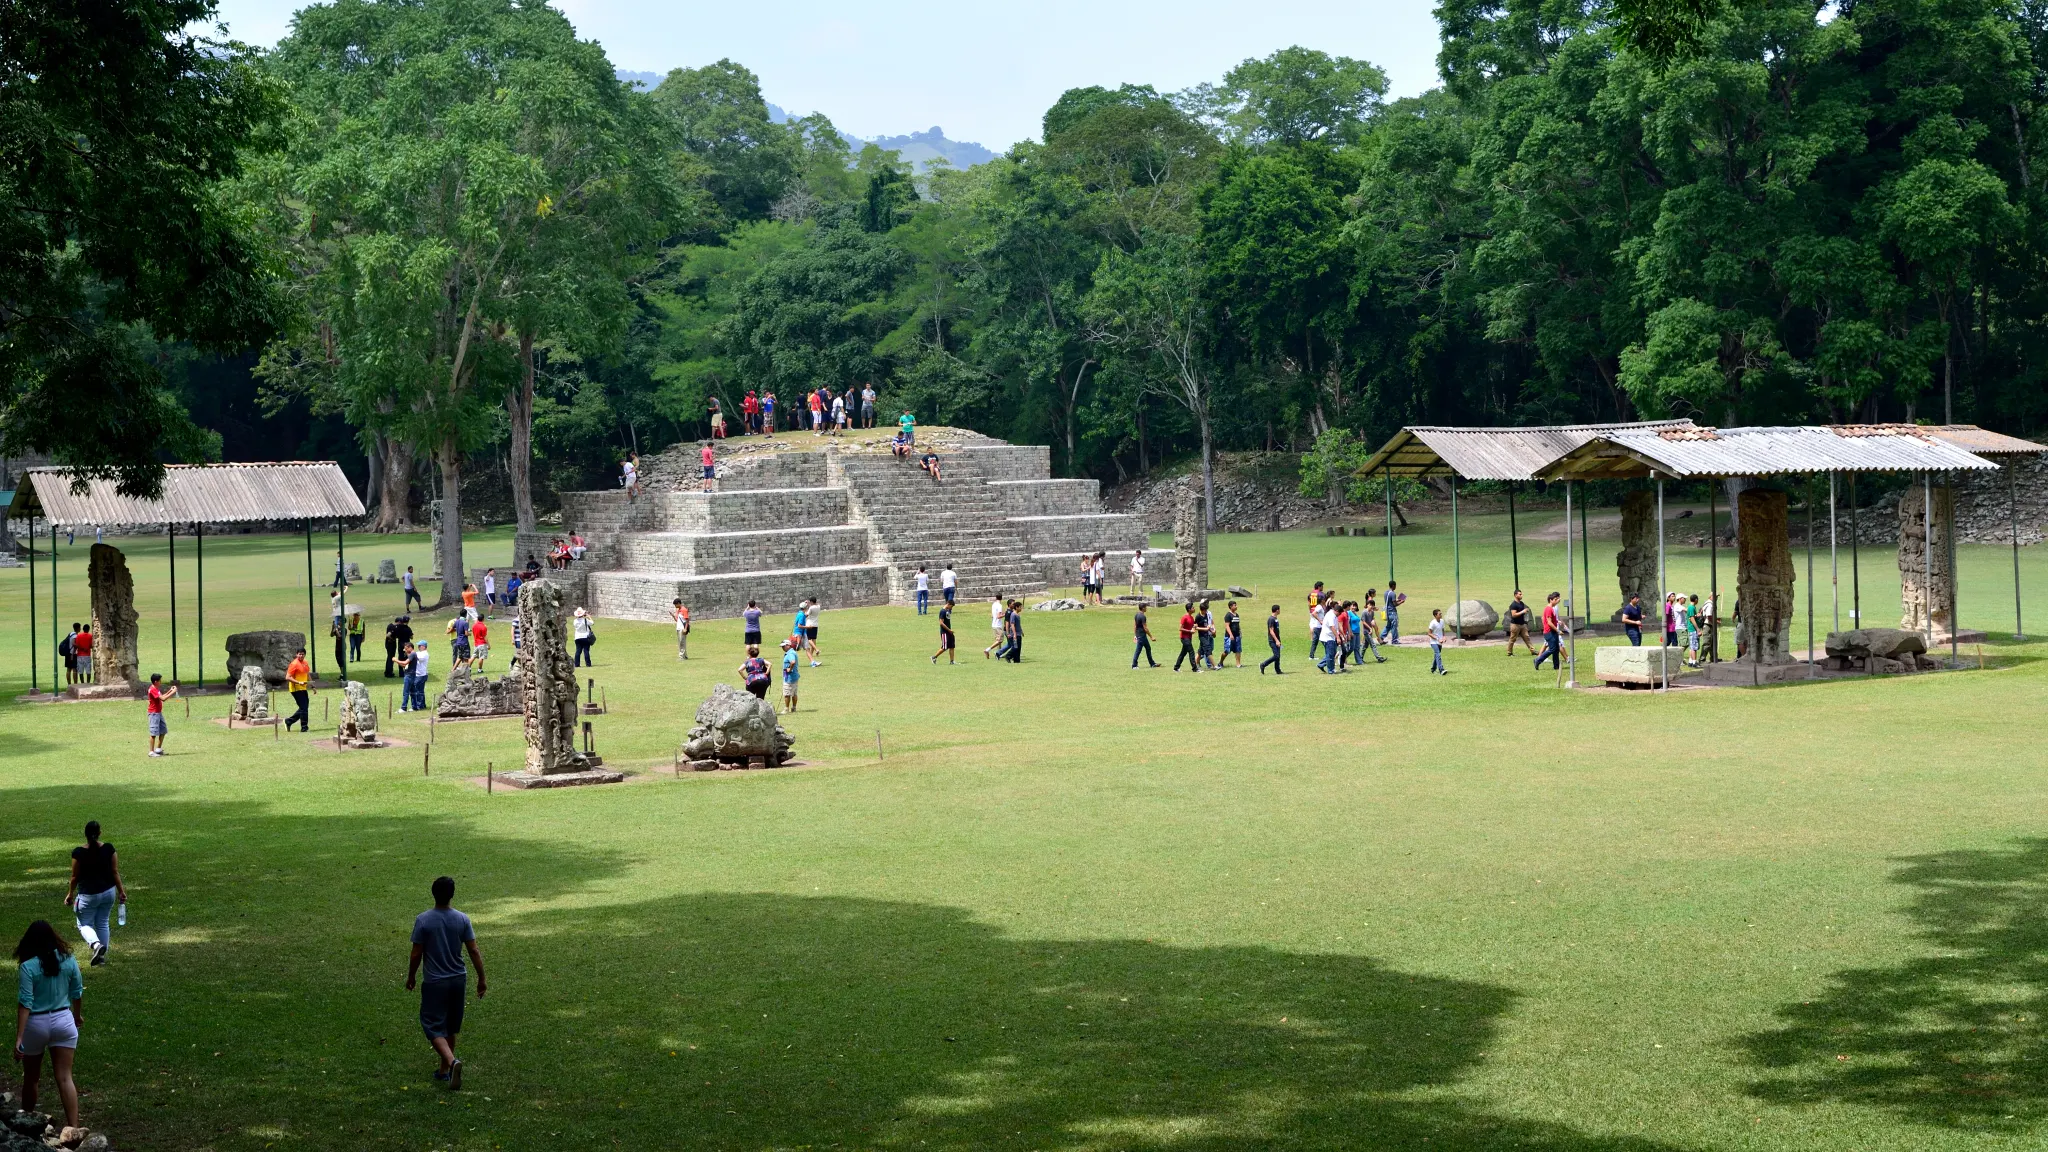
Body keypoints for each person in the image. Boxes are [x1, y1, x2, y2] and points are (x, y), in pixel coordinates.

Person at [406, 876, 486, 1091]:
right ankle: (444, 1071)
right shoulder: (462, 919)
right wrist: (482, 978)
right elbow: (473, 950)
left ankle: (451, 1062)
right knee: (450, 1026)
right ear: (452, 894)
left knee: (432, 1025)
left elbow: (416, 953)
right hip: (458, 979)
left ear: (433, 893)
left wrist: (411, 976)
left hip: (435, 982)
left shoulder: (423, 920)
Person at [13, 920, 84, 1130]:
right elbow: (77, 992)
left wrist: (19, 1038)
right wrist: (77, 1016)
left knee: (31, 1078)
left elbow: (25, 1003)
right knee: (65, 1078)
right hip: (64, 1020)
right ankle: (74, 1128)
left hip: (36, 1023)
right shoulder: (69, 960)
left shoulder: (28, 967)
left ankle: (26, 1124)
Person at [65, 822, 124, 967]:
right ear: (100, 833)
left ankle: (96, 945)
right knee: (103, 922)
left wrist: (70, 894)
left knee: (84, 924)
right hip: (108, 893)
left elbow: (74, 877)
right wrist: (121, 891)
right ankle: (101, 957)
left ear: (85, 834)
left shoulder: (78, 853)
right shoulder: (109, 849)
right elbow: (114, 872)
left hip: (88, 896)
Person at [1535, 592, 1565, 671]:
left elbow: (1552, 620)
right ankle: (1538, 660)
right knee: (1552, 649)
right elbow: (1549, 622)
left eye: (1558, 599)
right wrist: (1558, 630)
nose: (1557, 600)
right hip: (1549, 632)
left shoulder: (1552, 608)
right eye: (1555, 599)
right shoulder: (1548, 609)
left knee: (1556, 649)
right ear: (1551, 600)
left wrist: (1557, 622)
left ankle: (1556, 666)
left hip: (1553, 632)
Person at [284, 650, 311, 732]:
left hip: (303, 688)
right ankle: (304, 727)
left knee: (304, 708)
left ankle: (289, 721)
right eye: (299, 654)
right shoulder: (294, 664)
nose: (301, 656)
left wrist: (312, 684)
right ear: (296, 654)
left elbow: (307, 674)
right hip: (296, 689)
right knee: (304, 708)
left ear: (305, 655)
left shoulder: (305, 662)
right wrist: (298, 682)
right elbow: (287, 677)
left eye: (303, 654)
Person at [1174, 602, 1201, 672]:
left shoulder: (1191, 618)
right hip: (1184, 638)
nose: (1194, 609)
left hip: (1189, 638)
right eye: (1193, 608)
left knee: (1183, 653)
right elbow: (1180, 628)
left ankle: (1176, 667)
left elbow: (1192, 627)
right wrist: (1190, 631)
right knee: (1191, 651)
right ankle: (1195, 668)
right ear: (1189, 609)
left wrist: (1195, 627)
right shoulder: (1184, 617)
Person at [1505, 591, 1534, 656]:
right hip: (1515, 625)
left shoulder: (1521, 603)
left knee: (1527, 638)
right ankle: (1509, 653)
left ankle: (1533, 651)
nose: (1521, 595)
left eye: (1521, 594)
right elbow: (1514, 615)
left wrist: (1525, 611)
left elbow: (1521, 613)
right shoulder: (1513, 605)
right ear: (1515, 595)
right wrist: (1523, 611)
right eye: (1520, 594)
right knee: (1512, 639)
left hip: (1522, 624)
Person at [1131, 602, 1158, 668]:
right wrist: (1151, 637)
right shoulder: (1142, 616)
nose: (1146, 608)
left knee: (1148, 648)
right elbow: (1145, 628)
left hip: (1140, 635)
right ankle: (1134, 665)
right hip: (1141, 636)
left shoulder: (1137, 615)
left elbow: (1135, 626)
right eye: (1146, 607)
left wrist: (1135, 635)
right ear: (1143, 608)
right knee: (1138, 651)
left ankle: (1152, 664)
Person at [406, 641, 430, 712]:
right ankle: (422, 705)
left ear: (424, 646)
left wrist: (409, 652)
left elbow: (415, 657)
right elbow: (412, 655)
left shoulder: (424, 654)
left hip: (421, 675)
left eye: (420, 645)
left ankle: (418, 706)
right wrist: (408, 651)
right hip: (420, 674)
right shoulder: (419, 653)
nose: (418, 647)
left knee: (417, 691)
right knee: (420, 691)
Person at [1260, 605, 1284, 674]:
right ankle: (1263, 664)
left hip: (1277, 639)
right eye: (1279, 609)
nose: (1280, 611)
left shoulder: (1275, 618)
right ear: (1277, 610)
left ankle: (1278, 670)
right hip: (1273, 640)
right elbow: (1271, 631)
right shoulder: (1271, 619)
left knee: (1278, 656)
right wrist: (1276, 640)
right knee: (1276, 656)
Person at [1380, 581, 1406, 645]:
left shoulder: (1386, 593)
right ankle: (1394, 640)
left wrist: (1398, 600)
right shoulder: (1393, 594)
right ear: (1393, 585)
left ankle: (1381, 637)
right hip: (1392, 612)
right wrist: (1401, 602)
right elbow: (1394, 604)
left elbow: (1390, 601)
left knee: (1388, 626)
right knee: (1394, 626)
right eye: (1395, 585)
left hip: (1387, 612)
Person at [779, 639, 801, 712]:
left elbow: (793, 662)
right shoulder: (792, 652)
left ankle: (786, 709)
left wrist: (790, 669)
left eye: (784, 646)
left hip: (790, 677)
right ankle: (794, 708)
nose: (782, 648)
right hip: (794, 676)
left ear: (788, 645)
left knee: (787, 693)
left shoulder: (790, 654)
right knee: (794, 693)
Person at [1195, 600, 1217, 670]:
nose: (1206, 611)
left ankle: (1195, 664)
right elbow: (1195, 627)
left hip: (1207, 635)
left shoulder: (1206, 615)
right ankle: (1214, 666)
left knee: (1200, 651)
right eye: (1205, 610)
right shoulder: (1198, 617)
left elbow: (1208, 625)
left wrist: (1212, 630)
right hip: (1202, 636)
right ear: (1202, 610)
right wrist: (1205, 629)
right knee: (1208, 649)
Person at [1428, 608, 1449, 675]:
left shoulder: (1442, 621)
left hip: (1440, 642)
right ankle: (1441, 670)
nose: (1441, 615)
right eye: (1439, 614)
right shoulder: (1433, 623)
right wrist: (1437, 639)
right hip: (1433, 642)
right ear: (1435, 615)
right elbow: (1429, 633)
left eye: (1441, 614)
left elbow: (1442, 630)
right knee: (1438, 654)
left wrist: (1444, 637)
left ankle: (1433, 669)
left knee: (1436, 656)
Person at [802, 598, 822, 666]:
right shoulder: (818, 606)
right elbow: (816, 604)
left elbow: (806, 615)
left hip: (810, 624)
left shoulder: (811, 608)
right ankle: (811, 655)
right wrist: (809, 604)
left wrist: (805, 607)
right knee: (814, 639)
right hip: (816, 625)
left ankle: (816, 649)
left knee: (809, 639)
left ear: (811, 602)